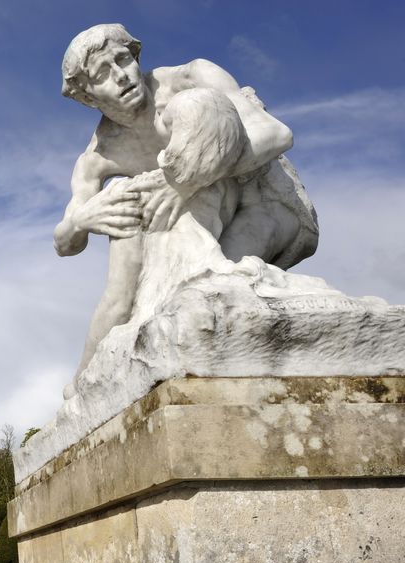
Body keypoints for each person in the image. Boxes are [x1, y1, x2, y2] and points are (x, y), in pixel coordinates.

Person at [55, 24, 318, 385]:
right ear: (88, 97)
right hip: (196, 213)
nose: (121, 76)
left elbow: (275, 134)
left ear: (136, 57)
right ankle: (83, 386)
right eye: (102, 74)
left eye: (123, 59)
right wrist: (82, 219)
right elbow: (64, 242)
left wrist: (185, 180)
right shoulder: (99, 155)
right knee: (133, 276)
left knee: (209, 293)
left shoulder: (192, 79)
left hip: (266, 202)